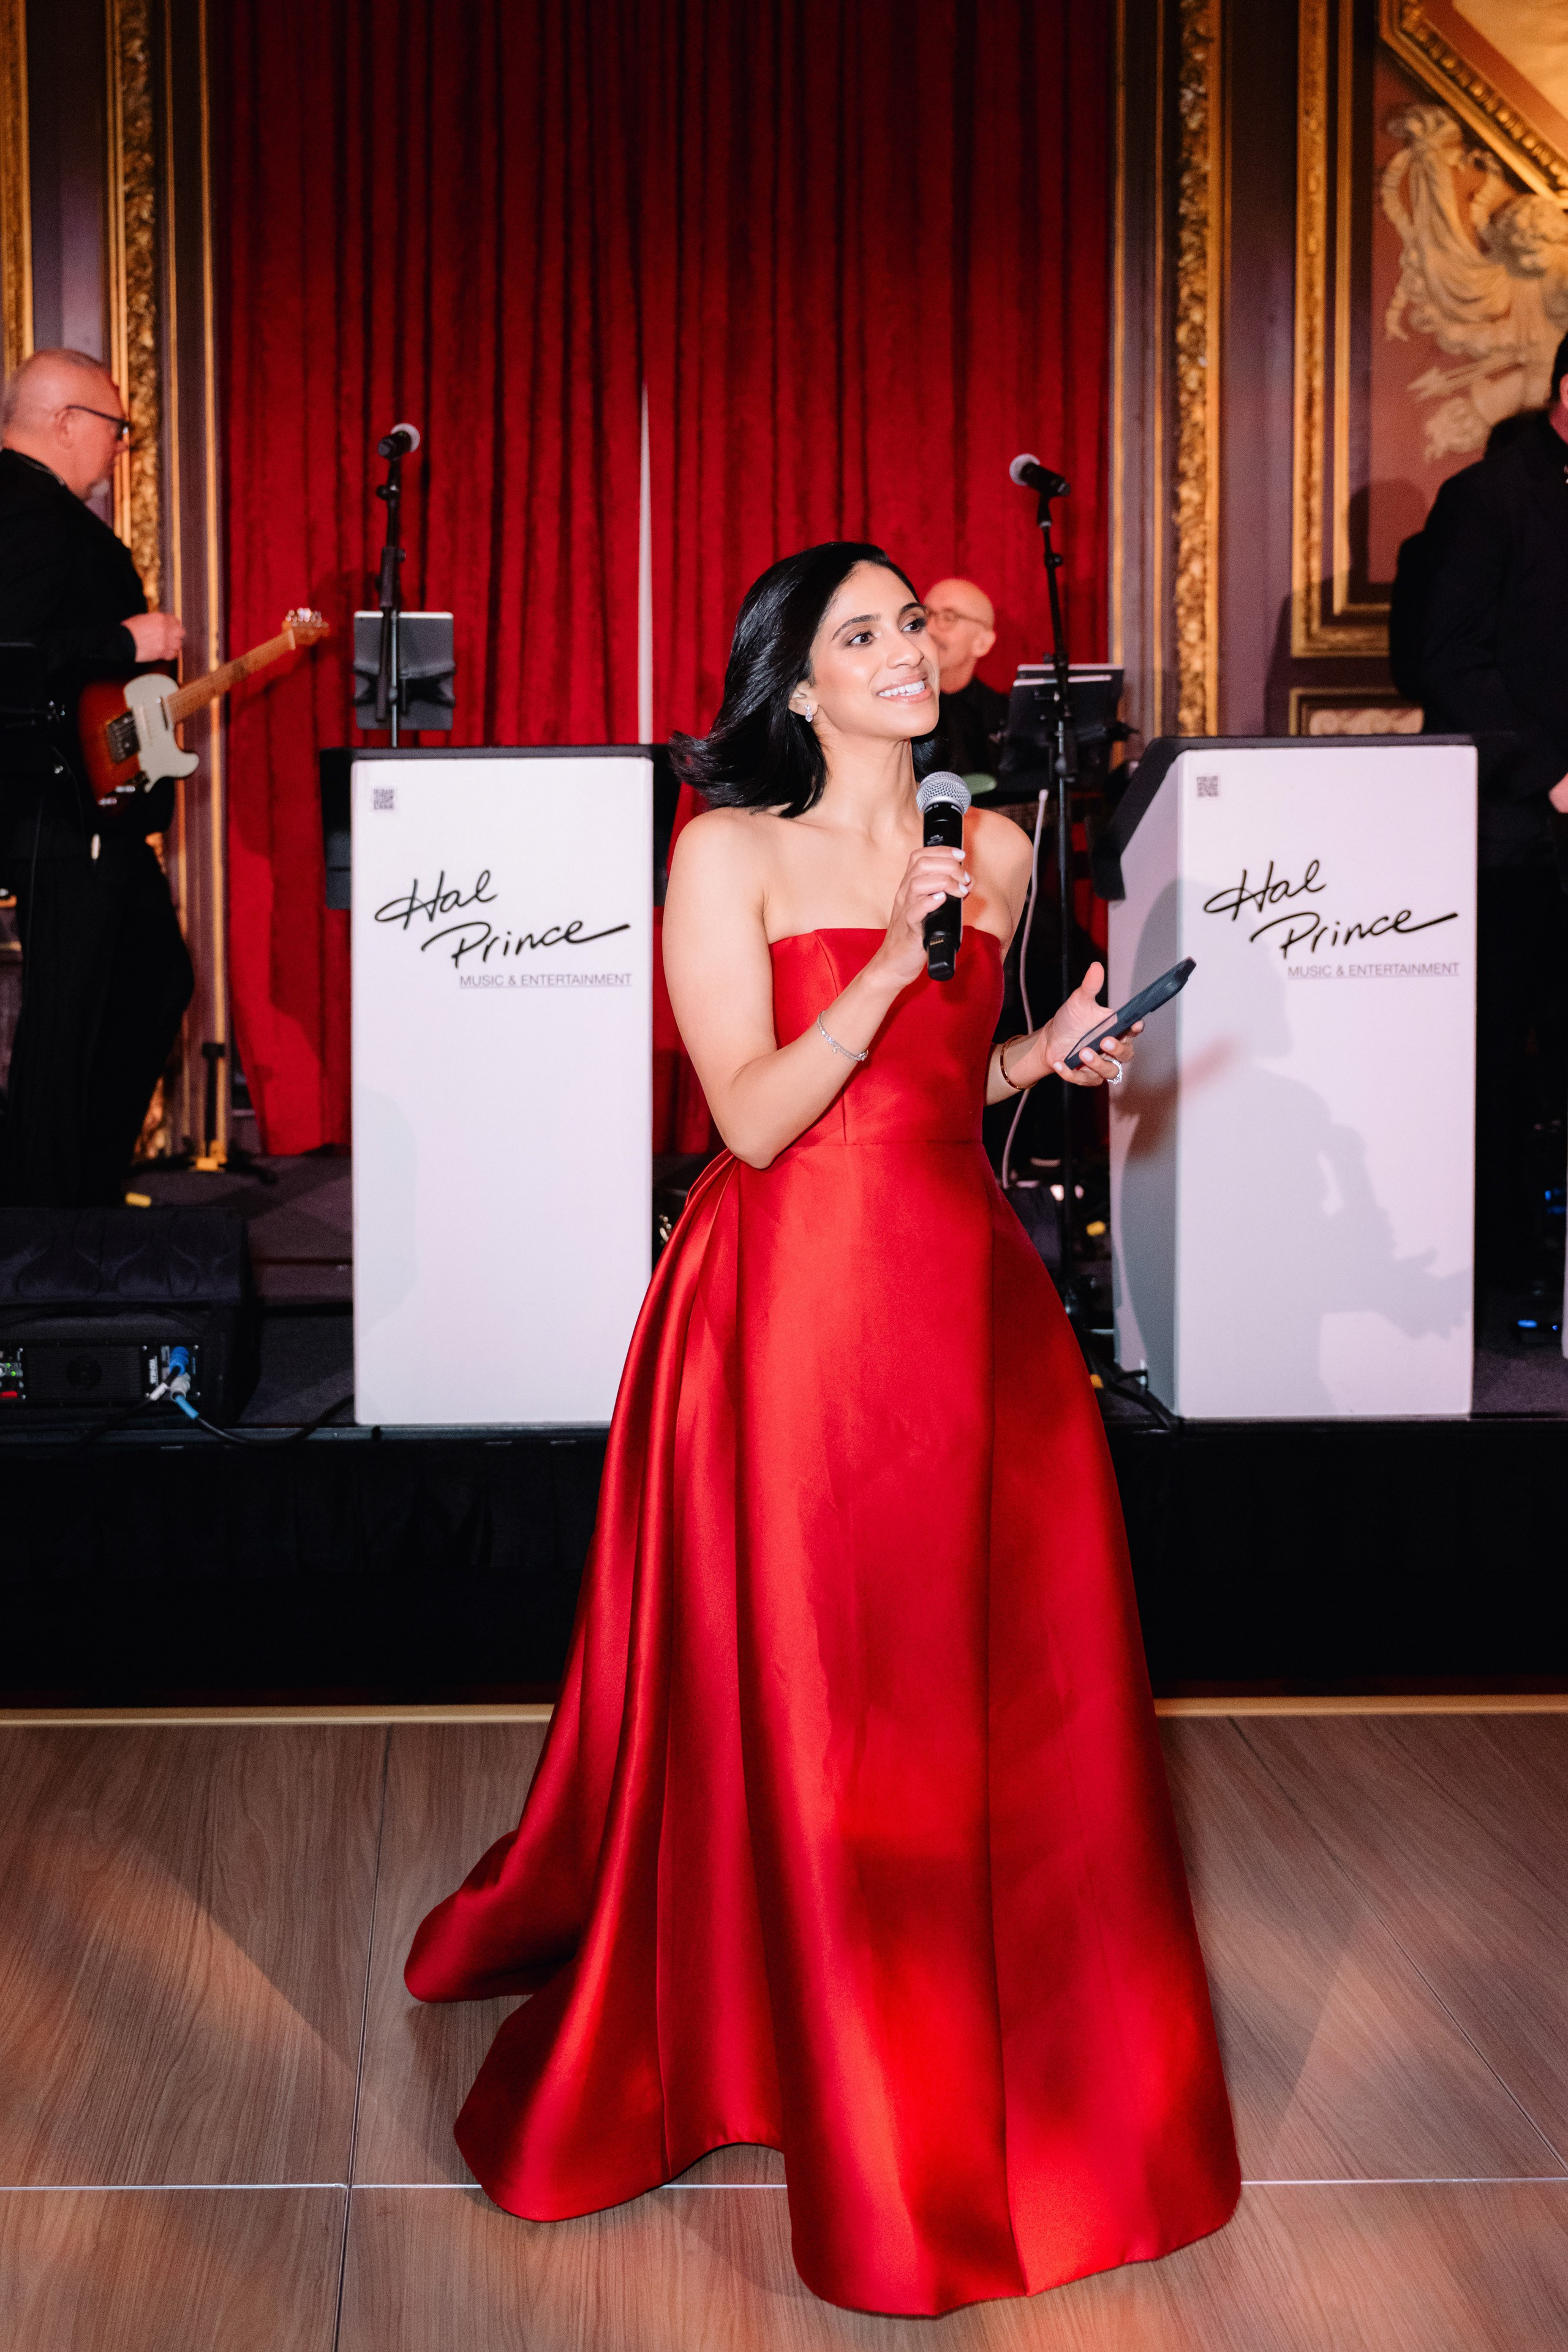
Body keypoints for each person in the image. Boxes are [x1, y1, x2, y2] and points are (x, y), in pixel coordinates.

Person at [405, 545, 1238, 2318]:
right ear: (793, 685)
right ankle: (815, 2068)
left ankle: (991, 2031)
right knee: (815, 1693)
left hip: (967, 1302)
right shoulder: (727, 853)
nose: (902, 651)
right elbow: (758, 1122)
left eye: (908, 626)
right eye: (858, 634)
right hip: (787, 1305)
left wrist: (1055, 1049)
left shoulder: (997, 849)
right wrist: (882, 969)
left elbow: (960, 1084)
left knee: (990, 1688)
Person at [0, 347, 192, 1205]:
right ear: (67, 422)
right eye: (117, 427)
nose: (122, 446)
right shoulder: (27, 511)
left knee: (146, 979)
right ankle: (47, 1221)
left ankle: (76, 1195)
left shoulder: (39, 511)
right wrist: (128, 642)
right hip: (55, 808)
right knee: (68, 1014)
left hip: (88, 806)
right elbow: (11, 658)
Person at [1419, 329, 1568, 1283]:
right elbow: (1448, 659)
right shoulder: (1487, 497)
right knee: (1500, 1059)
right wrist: (1551, 771)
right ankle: (1496, 1266)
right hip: (1511, 834)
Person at [924, 574, 1009, 785]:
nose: (929, 629)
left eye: (948, 618)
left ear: (983, 643)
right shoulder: (898, 709)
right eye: (926, 614)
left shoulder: (1005, 715)